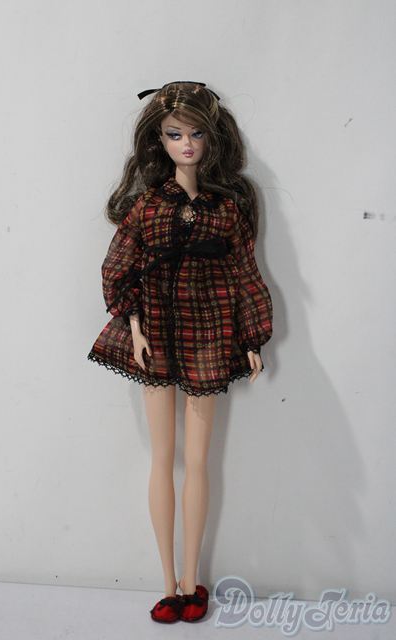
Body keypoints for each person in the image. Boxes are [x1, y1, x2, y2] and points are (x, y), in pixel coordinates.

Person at [87, 81, 274, 623]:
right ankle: (166, 582)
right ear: (159, 141)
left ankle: (193, 582)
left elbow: (245, 273)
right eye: (175, 135)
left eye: (195, 134)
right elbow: (117, 268)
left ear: (212, 139)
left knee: (197, 461)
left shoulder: (226, 209)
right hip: (156, 335)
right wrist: (134, 325)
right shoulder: (147, 207)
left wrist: (253, 336)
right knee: (162, 458)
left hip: (210, 334)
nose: (186, 144)